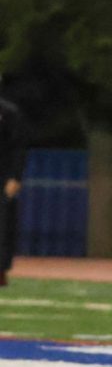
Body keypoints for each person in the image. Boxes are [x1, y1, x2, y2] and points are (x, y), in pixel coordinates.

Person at [0, 97, 29, 287]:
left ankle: (0, 270)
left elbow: (18, 146)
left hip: (1, 176)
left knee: (2, 226)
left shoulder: (9, 112)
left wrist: (15, 177)